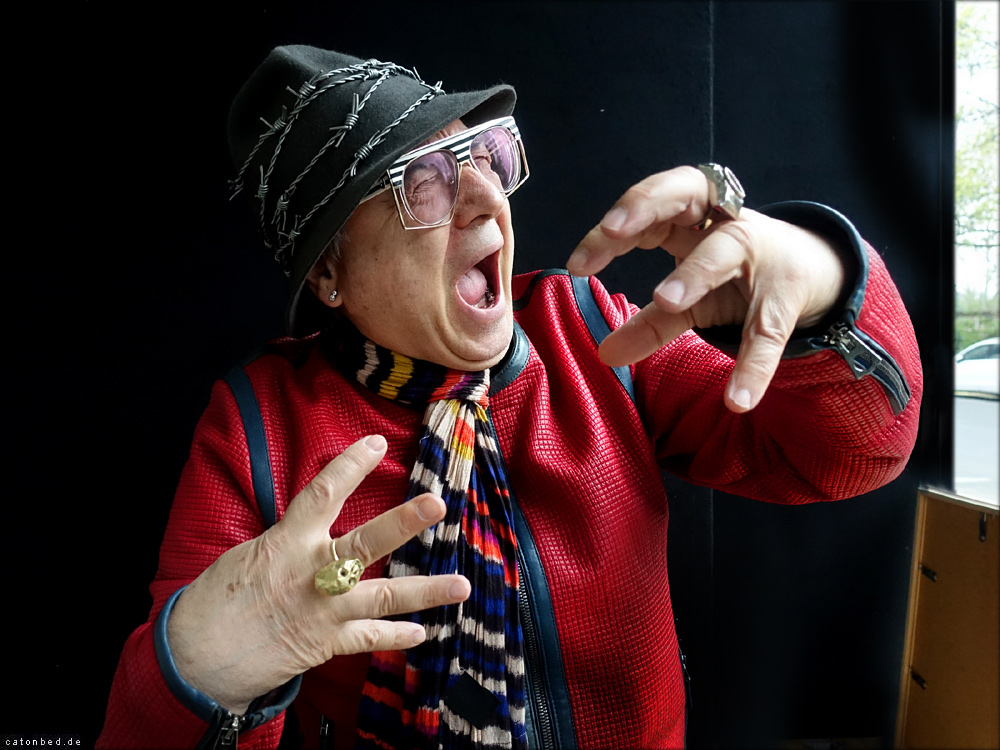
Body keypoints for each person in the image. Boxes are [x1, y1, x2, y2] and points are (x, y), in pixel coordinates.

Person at [98, 45, 921, 750]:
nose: (488, 197)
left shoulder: (587, 331)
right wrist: (203, 673)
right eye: (421, 182)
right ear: (329, 273)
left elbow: (848, 456)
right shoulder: (257, 427)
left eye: (486, 157)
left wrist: (821, 293)